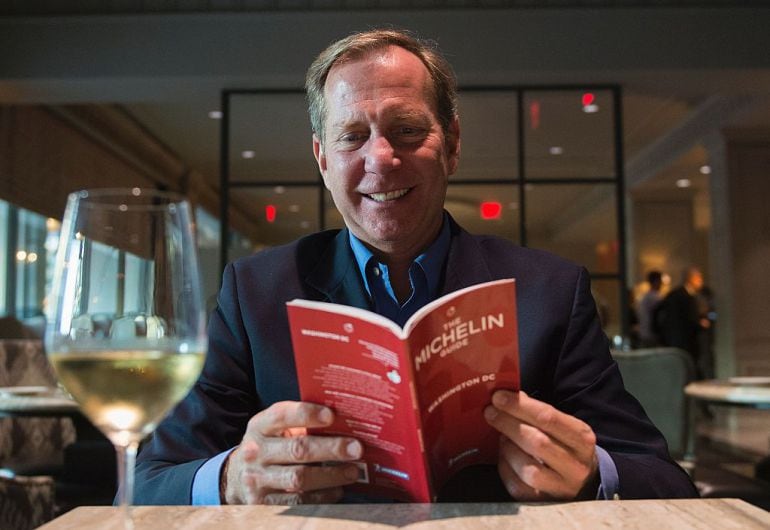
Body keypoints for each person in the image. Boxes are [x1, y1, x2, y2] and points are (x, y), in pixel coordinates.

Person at [134, 29, 696, 505]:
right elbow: (149, 482)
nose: (380, 159)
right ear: (323, 160)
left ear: (451, 145)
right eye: (352, 136)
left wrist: (593, 472)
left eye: (407, 130)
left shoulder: (552, 291)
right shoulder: (254, 293)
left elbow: (665, 482)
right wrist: (234, 477)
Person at [655, 267, 711, 378]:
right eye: (699, 278)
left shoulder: (673, 294)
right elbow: (690, 320)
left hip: (674, 341)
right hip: (684, 342)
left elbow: (657, 313)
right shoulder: (685, 296)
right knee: (686, 372)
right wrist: (701, 324)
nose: (701, 282)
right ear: (691, 279)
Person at [637, 270, 664, 347]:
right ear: (656, 281)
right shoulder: (654, 297)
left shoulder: (646, 296)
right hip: (651, 334)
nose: (661, 284)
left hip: (644, 333)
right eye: (660, 281)